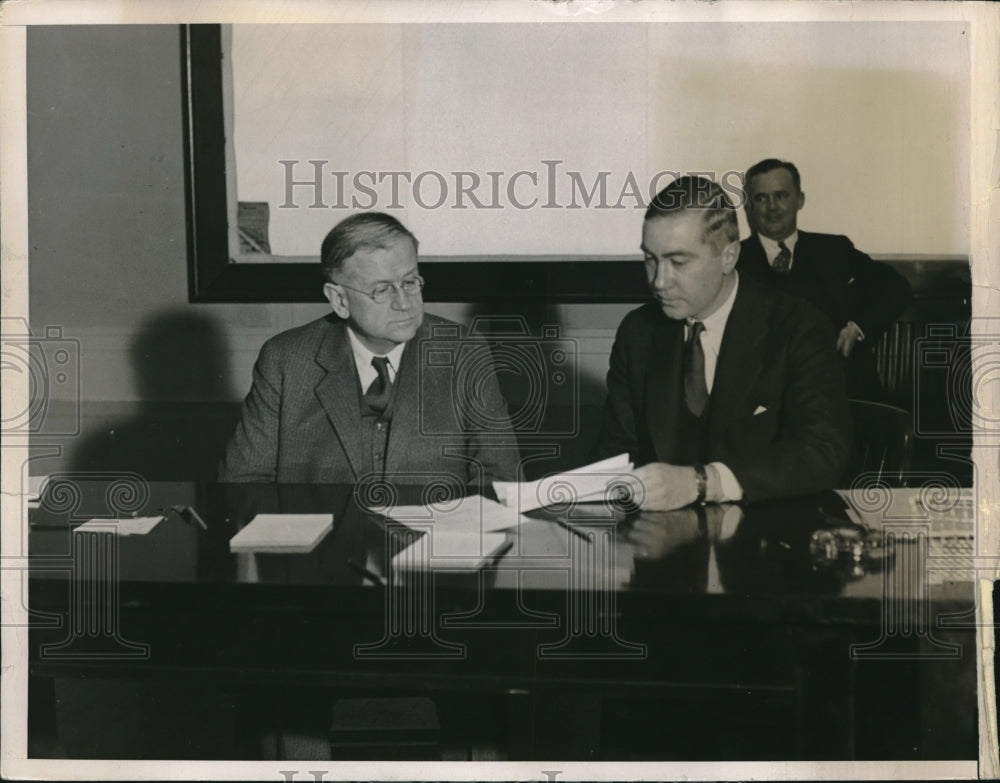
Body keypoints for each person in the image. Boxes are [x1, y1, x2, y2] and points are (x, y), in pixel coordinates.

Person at [596, 175, 852, 510]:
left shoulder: (798, 327)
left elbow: (822, 452)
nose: (659, 281)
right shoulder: (638, 332)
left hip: (767, 530)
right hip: (660, 534)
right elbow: (616, 455)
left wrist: (705, 483)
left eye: (678, 262)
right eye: (650, 259)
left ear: (728, 257)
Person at [219, 212, 520, 487]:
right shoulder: (286, 361)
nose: (404, 303)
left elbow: (501, 480)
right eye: (382, 289)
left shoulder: (464, 353)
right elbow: (244, 484)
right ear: (339, 300)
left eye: (410, 282)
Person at [737, 159, 913, 401]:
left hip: (839, 393)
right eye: (761, 198)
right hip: (766, 399)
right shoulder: (733, 259)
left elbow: (896, 287)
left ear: (800, 200)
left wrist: (857, 328)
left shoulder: (833, 249)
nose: (772, 206)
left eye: (781, 196)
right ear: (749, 206)